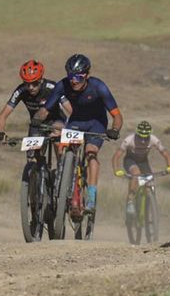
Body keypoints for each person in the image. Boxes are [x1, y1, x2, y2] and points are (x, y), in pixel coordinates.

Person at [34, 54, 122, 214]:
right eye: (71, 76)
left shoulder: (98, 86)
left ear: (87, 75)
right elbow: (44, 110)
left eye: (79, 77)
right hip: (76, 122)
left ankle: (92, 195)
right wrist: (37, 121)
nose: (74, 80)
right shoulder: (63, 85)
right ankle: (64, 178)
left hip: (97, 123)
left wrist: (115, 130)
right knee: (62, 147)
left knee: (91, 154)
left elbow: (117, 115)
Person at [0, 59, 68, 144]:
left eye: (34, 83)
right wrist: (1, 132)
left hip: (57, 121)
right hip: (37, 123)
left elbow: (68, 106)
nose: (30, 87)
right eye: (26, 83)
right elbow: (3, 115)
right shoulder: (20, 91)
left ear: (41, 79)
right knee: (31, 154)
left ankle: (62, 156)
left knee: (57, 141)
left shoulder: (51, 87)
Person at [112, 121, 170, 218]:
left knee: (150, 182)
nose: (143, 140)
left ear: (149, 134)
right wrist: (116, 170)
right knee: (136, 174)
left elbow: (165, 153)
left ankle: (151, 206)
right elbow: (116, 156)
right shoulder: (129, 140)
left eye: (146, 137)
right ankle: (130, 201)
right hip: (130, 161)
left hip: (143, 162)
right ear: (136, 133)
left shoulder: (154, 139)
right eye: (140, 136)